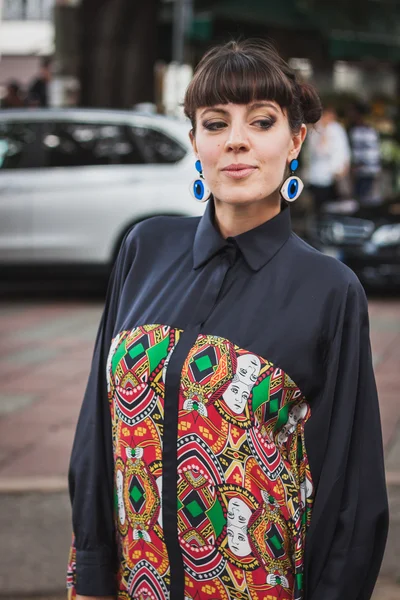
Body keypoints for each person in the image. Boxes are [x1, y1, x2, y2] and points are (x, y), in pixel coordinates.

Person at [67, 39, 388, 600]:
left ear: (295, 140)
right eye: (216, 124)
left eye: (261, 122)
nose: (236, 140)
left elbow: (351, 489)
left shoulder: (329, 290)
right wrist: (92, 574)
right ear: (195, 142)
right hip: (131, 584)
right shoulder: (144, 250)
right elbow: (96, 426)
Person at [305, 105, 351, 213]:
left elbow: (344, 149)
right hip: (319, 176)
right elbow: (320, 151)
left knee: (336, 207)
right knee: (320, 206)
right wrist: (323, 132)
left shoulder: (337, 128)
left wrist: (345, 166)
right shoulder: (315, 130)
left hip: (336, 175)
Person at [348, 101, 382, 204]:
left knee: (363, 201)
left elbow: (367, 153)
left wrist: (356, 166)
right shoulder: (369, 130)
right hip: (368, 170)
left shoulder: (359, 131)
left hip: (365, 171)